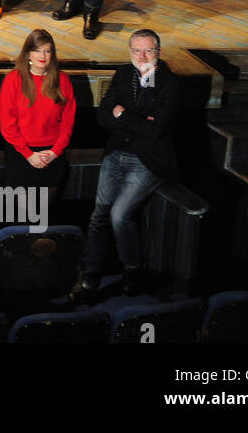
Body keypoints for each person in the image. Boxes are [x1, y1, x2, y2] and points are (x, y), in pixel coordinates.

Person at [80, 29, 182, 298]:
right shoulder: (124, 74)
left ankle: (132, 270)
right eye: (136, 50)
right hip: (116, 154)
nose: (142, 56)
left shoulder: (170, 83)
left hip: (148, 161)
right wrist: (137, 120)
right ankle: (90, 275)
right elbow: (102, 116)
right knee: (99, 215)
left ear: (158, 53)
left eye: (148, 50)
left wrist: (123, 114)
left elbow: (157, 130)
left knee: (119, 215)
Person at [0, 29, 74, 199]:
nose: (43, 55)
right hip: (21, 154)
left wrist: (54, 152)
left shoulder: (63, 80)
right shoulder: (13, 80)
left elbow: (67, 123)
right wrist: (28, 154)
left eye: (48, 50)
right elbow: (7, 125)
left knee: (45, 215)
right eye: (37, 50)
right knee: (27, 216)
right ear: (28, 54)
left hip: (53, 155)